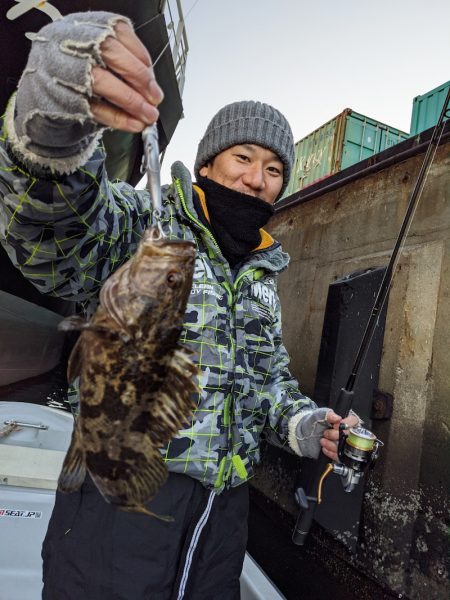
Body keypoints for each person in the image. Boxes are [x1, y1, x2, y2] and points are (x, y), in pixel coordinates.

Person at [0, 12, 359, 600]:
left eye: (273, 170)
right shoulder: (147, 223)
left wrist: (305, 424)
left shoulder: (264, 276)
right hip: (122, 492)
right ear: (210, 162)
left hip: (223, 513)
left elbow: (265, 383)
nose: (256, 179)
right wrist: (52, 126)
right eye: (243, 158)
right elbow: (52, 233)